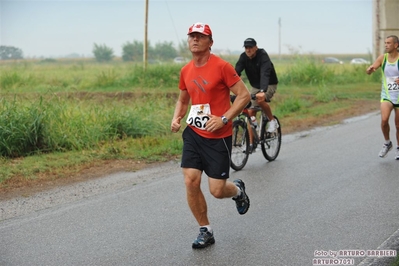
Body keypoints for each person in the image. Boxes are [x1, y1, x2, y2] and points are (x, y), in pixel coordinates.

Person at [170, 22, 251, 249]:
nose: (194, 40)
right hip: (194, 134)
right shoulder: (186, 70)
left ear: (210, 42)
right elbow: (182, 99)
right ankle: (205, 230)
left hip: (218, 137)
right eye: (191, 36)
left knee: (217, 190)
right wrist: (177, 117)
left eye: (200, 36)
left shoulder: (222, 67)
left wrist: (224, 119)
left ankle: (238, 191)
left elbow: (244, 96)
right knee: (190, 180)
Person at [235, 38, 279, 153]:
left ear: (256, 47)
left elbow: (265, 72)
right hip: (255, 86)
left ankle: (272, 121)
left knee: (260, 100)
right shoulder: (243, 57)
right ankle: (251, 143)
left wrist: (263, 90)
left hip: (269, 84)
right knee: (250, 112)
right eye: (246, 48)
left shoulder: (263, 55)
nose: (248, 50)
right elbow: (235, 73)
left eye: (250, 47)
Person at [366, 35, 399, 160]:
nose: (386, 45)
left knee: (398, 125)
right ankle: (387, 143)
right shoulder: (383, 58)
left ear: (396, 45)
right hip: (387, 95)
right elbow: (371, 68)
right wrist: (369, 70)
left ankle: (398, 148)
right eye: (385, 43)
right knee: (384, 120)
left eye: (389, 43)